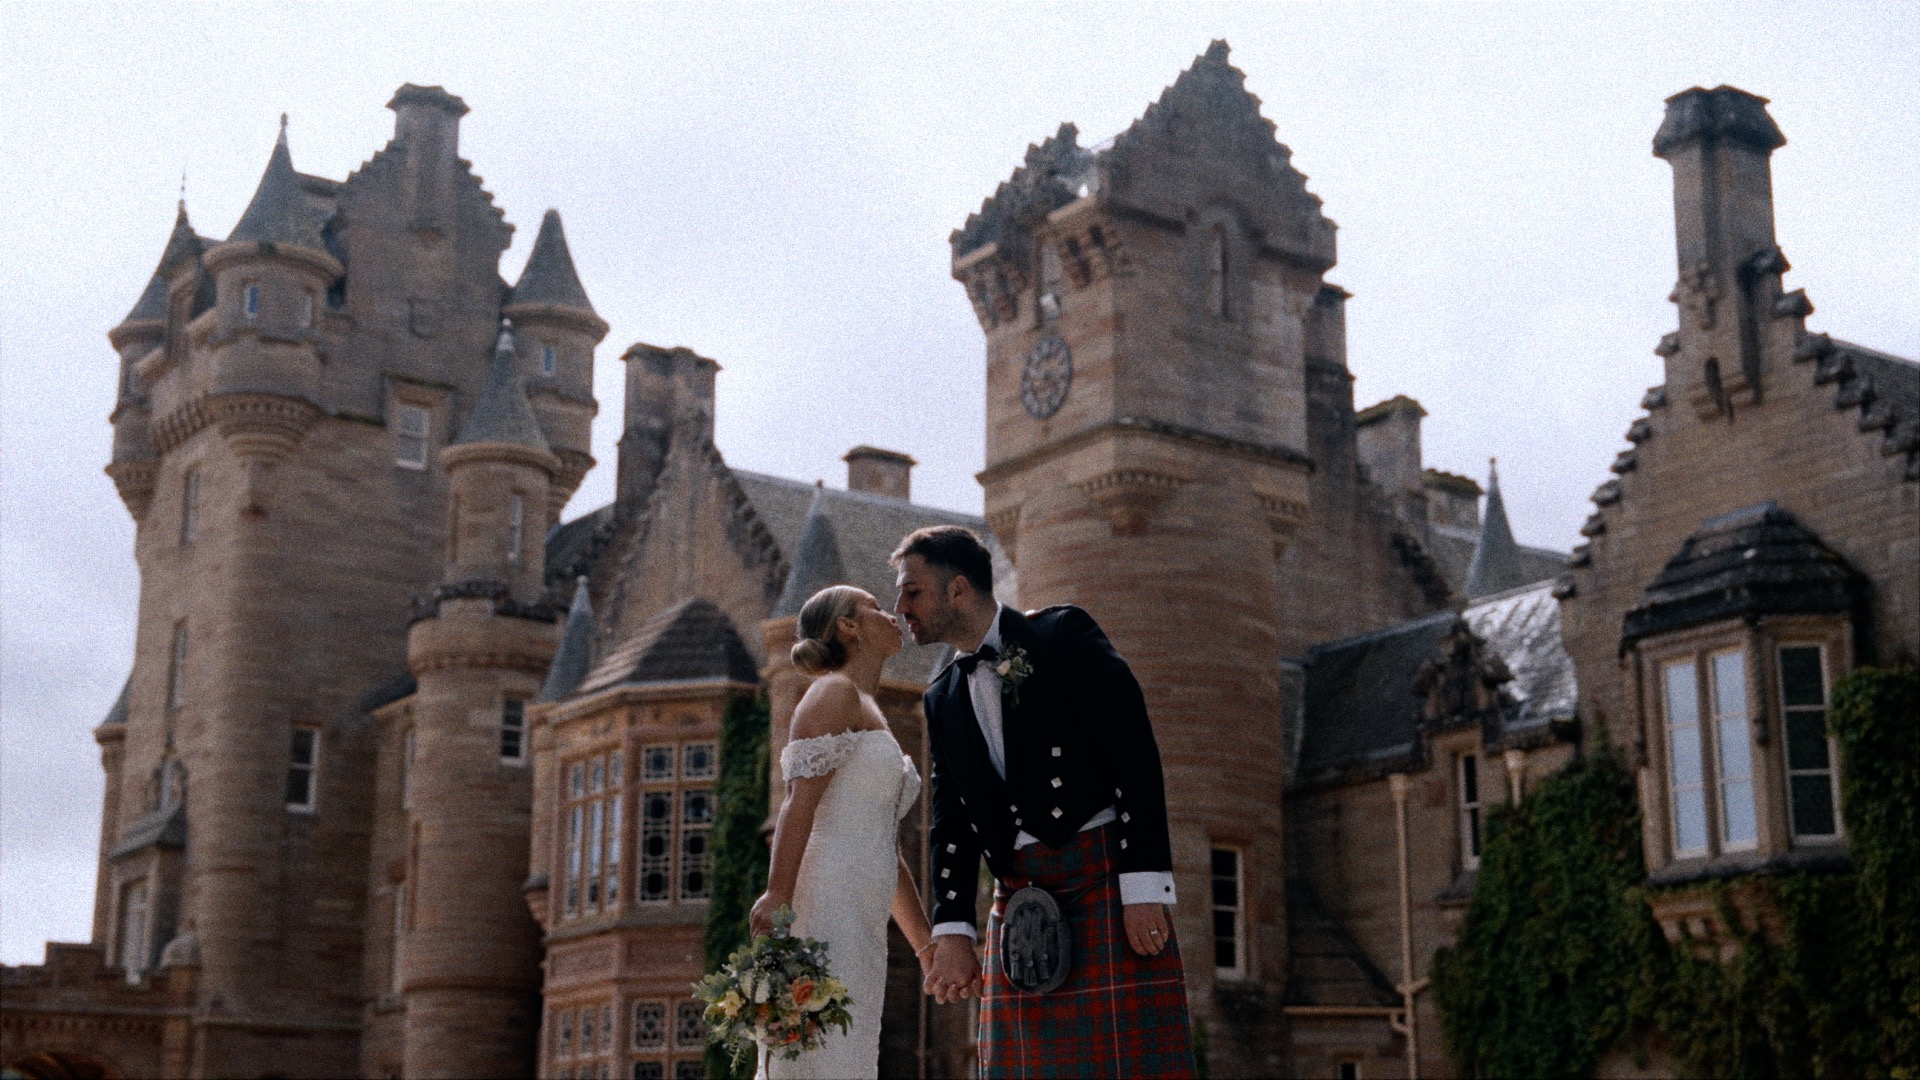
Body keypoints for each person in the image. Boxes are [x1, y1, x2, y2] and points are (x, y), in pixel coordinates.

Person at [893, 526, 1197, 1078]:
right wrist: (954, 929)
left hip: (1100, 876)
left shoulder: (1062, 636)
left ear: (957, 589)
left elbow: (1134, 756)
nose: (901, 607)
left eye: (912, 592)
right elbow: (951, 820)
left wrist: (1144, 886)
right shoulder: (942, 696)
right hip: (1017, 898)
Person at [749, 585, 938, 1079]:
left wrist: (925, 946)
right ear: (848, 627)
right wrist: (776, 894)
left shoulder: (870, 707)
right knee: (819, 1053)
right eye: (876, 608)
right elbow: (799, 801)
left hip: (864, 913)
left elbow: (885, 847)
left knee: (849, 1051)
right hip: (827, 901)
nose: (893, 613)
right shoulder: (833, 692)